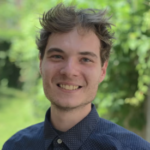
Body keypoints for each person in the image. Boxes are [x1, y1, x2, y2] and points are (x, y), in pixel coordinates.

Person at [2, 3, 150, 150]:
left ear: (103, 71)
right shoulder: (15, 146)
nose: (69, 71)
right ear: (41, 64)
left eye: (85, 59)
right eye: (57, 56)